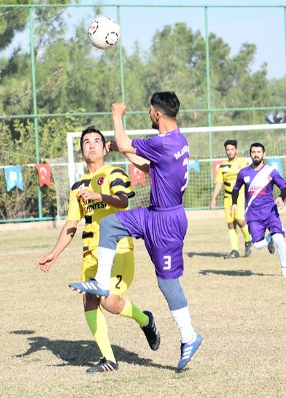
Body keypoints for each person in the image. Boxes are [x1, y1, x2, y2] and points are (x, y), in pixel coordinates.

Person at [68, 91, 203, 370]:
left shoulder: (163, 143)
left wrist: (117, 116)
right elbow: (145, 163)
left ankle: (189, 336)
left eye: (150, 111)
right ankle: (101, 281)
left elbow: (123, 140)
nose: (149, 115)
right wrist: (123, 149)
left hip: (167, 222)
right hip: (154, 214)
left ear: (157, 114)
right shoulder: (177, 142)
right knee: (110, 224)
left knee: (168, 284)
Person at [37, 126, 159, 374]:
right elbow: (72, 224)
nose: (91, 145)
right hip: (90, 254)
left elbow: (124, 201)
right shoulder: (77, 186)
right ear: (81, 150)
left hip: (118, 249)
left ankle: (146, 320)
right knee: (90, 299)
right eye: (86, 142)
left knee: (109, 302)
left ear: (105, 148)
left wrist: (98, 195)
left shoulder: (114, 173)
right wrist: (55, 253)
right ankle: (109, 359)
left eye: (96, 141)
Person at [231, 142, 286, 277]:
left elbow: (284, 186)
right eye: (253, 152)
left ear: (264, 154)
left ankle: (285, 268)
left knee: (280, 238)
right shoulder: (244, 172)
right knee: (258, 246)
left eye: (259, 152)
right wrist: (234, 203)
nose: (256, 154)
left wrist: (281, 197)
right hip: (253, 215)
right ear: (250, 154)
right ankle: (270, 240)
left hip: (270, 212)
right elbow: (235, 189)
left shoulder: (270, 171)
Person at [209, 140, 253, 258]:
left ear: (236, 149)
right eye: (227, 150)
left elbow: (251, 178)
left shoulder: (243, 163)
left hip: (240, 197)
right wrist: (213, 198)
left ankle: (248, 240)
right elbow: (219, 182)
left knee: (240, 219)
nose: (230, 152)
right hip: (227, 198)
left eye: (232, 149)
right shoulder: (223, 166)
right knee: (230, 224)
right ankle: (235, 250)